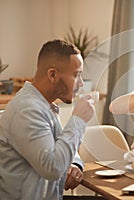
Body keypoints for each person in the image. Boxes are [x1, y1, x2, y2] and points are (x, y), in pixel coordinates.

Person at [0, 39, 95, 199]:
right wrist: (78, 120)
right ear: (52, 75)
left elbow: (61, 145)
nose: (80, 83)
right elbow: (53, 168)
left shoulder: (44, 106)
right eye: (76, 75)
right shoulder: (27, 110)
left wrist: (74, 164)